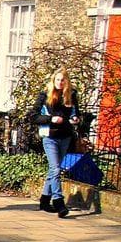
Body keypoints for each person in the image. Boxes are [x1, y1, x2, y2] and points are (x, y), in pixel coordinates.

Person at [30, 67, 79, 218]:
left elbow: (75, 113)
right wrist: (51, 119)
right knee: (56, 169)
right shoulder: (45, 95)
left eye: (62, 80)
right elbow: (33, 116)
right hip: (50, 137)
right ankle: (59, 202)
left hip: (65, 136)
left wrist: (75, 119)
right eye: (57, 80)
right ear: (53, 80)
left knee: (53, 171)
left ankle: (44, 201)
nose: (60, 82)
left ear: (67, 81)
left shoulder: (71, 95)